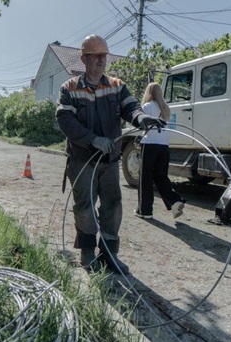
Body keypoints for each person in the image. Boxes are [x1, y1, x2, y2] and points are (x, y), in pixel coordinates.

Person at [56, 34, 166, 274]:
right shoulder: (70, 88)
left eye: (104, 55)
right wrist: (93, 139)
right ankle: (87, 253)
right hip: (82, 160)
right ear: (84, 58)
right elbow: (64, 119)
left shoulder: (117, 86)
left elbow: (130, 107)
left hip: (109, 160)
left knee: (113, 205)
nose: (101, 60)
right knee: (84, 205)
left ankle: (108, 254)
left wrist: (141, 117)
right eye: (95, 56)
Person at [134, 83, 186, 224]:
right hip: (164, 146)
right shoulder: (165, 108)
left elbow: (141, 126)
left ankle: (144, 211)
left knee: (145, 178)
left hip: (150, 144)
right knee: (161, 176)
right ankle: (174, 202)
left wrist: (138, 138)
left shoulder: (147, 106)